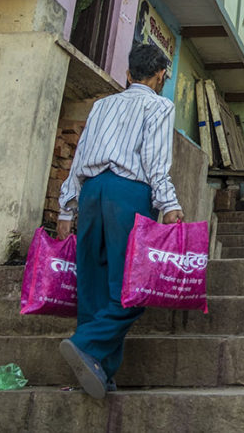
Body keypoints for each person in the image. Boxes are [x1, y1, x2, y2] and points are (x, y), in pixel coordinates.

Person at [55, 43, 184, 400]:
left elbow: (80, 156)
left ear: (128, 74)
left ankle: (101, 371)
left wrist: (66, 208)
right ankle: (86, 345)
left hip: (92, 192)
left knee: (93, 283)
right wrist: (169, 203)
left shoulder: (101, 105)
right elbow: (156, 161)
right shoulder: (160, 105)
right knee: (134, 287)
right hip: (129, 194)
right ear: (160, 76)